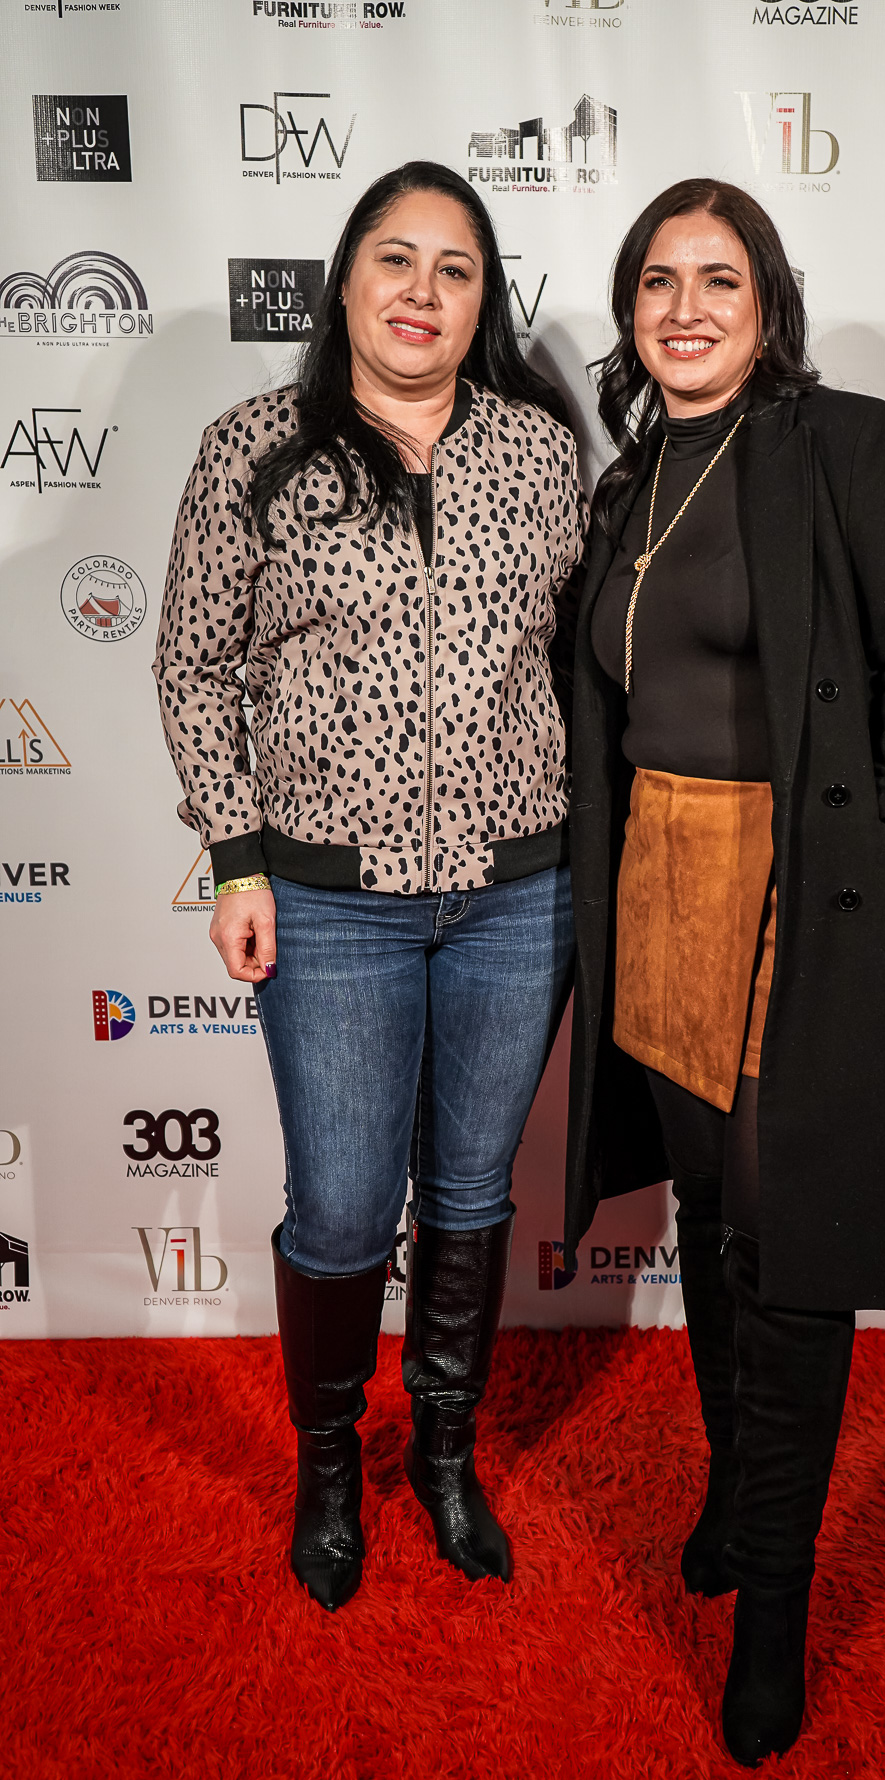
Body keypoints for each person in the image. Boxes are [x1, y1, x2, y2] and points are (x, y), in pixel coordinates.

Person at [565, 179, 885, 1766]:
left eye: (718, 280)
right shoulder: (628, 482)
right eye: (658, 282)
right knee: (715, 1218)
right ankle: (738, 1497)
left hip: (801, 883)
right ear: (630, 309)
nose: (686, 310)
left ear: (768, 305)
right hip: (658, 881)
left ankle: (777, 1610)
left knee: (789, 1245)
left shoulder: (836, 443)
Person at [154, 162, 584, 1611]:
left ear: (484, 302)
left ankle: (446, 1454)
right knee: (342, 1208)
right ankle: (331, 1464)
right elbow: (195, 665)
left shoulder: (540, 453)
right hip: (330, 902)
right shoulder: (254, 448)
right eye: (395, 259)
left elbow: (581, 660)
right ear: (345, 279)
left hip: (517, 895)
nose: (421, 291)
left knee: (470, 1191)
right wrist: (235, 855)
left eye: (455, 269)